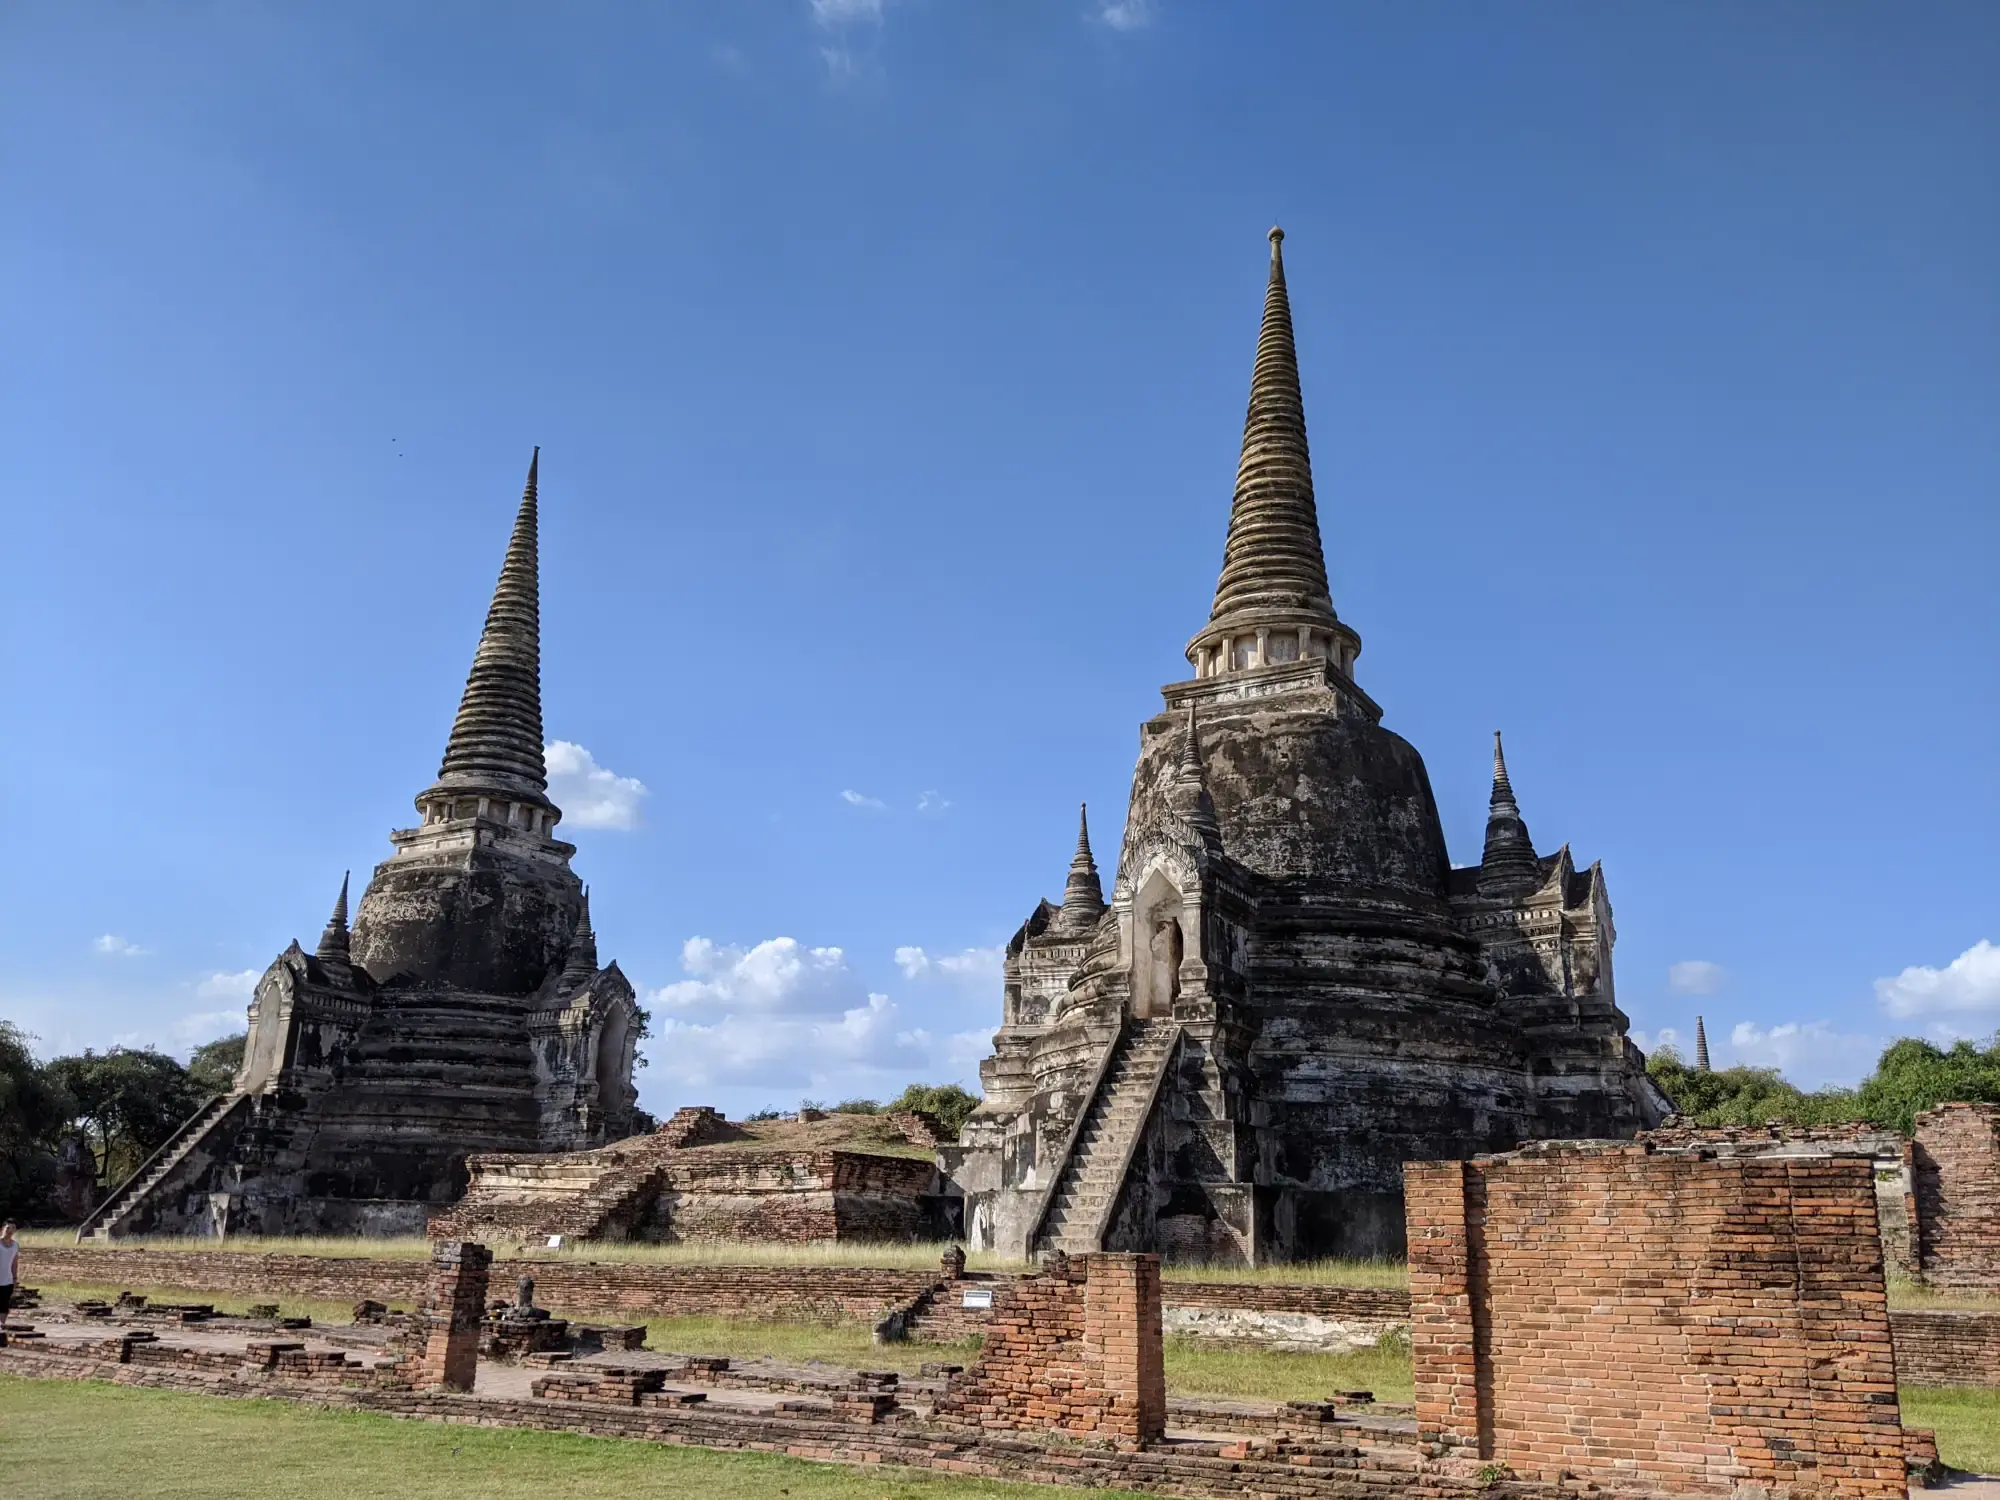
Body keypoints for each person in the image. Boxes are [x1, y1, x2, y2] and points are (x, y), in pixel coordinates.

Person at [0, 1222, 17, 1324]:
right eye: (7, 1228)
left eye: (12, 1229)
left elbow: (14, 1263)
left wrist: (15, 1278)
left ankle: (1, 1326)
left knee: (4, 1304)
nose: (9, 1231)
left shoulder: (15, 1245)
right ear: (3, 1229)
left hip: (7, 1279)